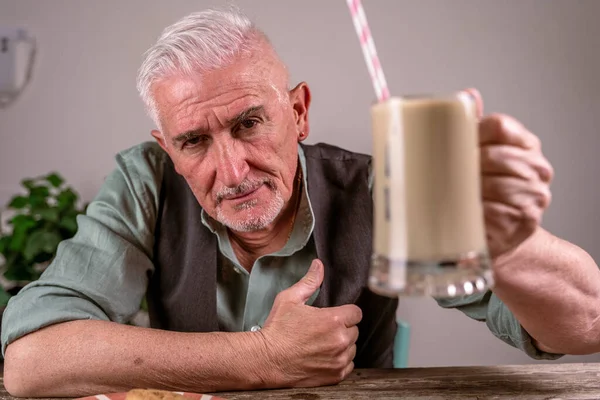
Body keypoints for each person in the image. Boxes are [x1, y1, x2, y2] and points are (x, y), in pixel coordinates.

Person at [3, 8, 600, 398]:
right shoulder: (144, 182)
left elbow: (586, 326)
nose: (231, 171)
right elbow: (29, 362)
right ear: (168, 148)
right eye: (194, 142)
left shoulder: (378, 190)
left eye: (250, 123)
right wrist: (259, 357)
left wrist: (511, 242)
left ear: (299, 111)